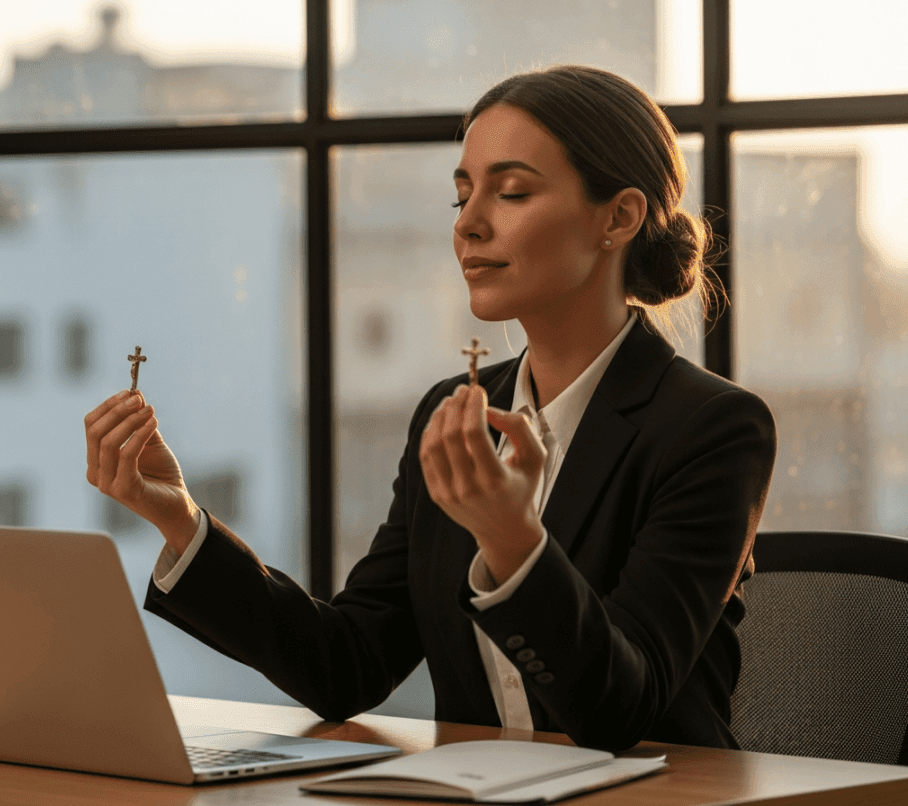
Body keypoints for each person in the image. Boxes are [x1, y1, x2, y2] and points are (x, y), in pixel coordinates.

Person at [83, 65, 777, 752]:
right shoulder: (451, 415)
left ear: (617, 218)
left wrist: (512, 541)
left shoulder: (711, 430)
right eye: (461, 196)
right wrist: (176, 516)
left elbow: (620, 710)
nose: (469, 225)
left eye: (509, 193)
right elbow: (348, 663)